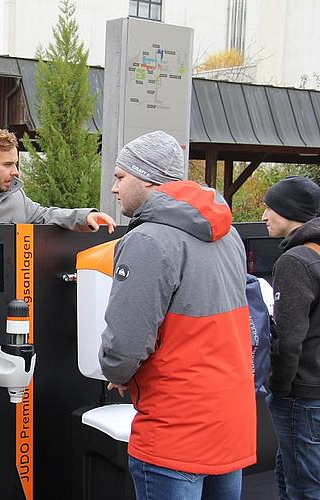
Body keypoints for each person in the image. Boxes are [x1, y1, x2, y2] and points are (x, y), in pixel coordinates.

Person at [99, 130, 256, 499]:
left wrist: (118, 372)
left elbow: (125, 341)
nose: (114, 189)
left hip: (175, 428)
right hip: (229, 419)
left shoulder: (147, 240)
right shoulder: (227, 232)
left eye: (120, 177)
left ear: (148, 178)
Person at [262, 175, 320, 499]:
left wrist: (279, 389)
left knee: (302, 489)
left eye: (270, 208)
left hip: (300, 396)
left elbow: (288, 339)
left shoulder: (294, 261)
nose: (264, 216)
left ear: (289, 211)